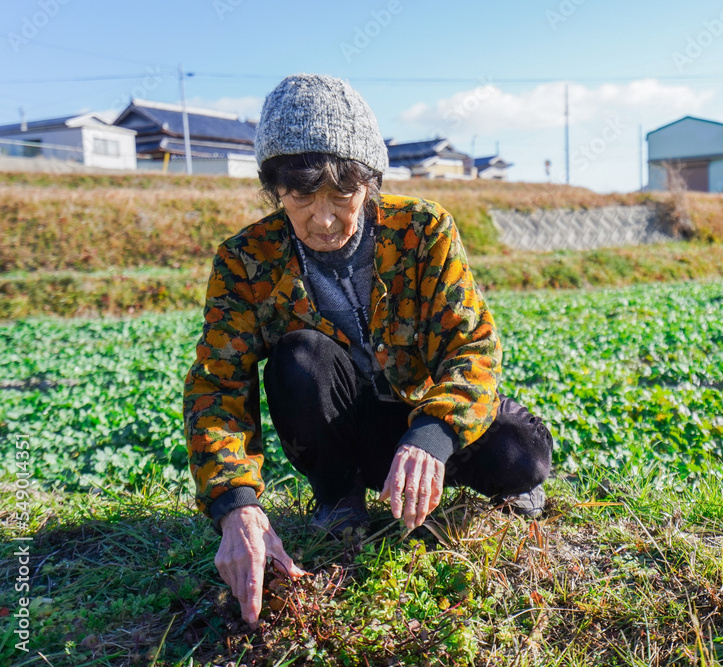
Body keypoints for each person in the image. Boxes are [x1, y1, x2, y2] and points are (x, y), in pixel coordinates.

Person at [183, 74, 553, 628]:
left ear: (371, 183)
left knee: (520, 454)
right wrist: (234, 503)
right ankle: (339, 500)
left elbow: (472, 346)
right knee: (299, 357)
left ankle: (469, 474)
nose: (323, 218)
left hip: (424, 421)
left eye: (343, 195)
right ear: (275, 188)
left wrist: (432, 436)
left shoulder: (423, 230)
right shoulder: (246, 260)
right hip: (349, 434)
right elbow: (217, 387)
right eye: (301, 196)